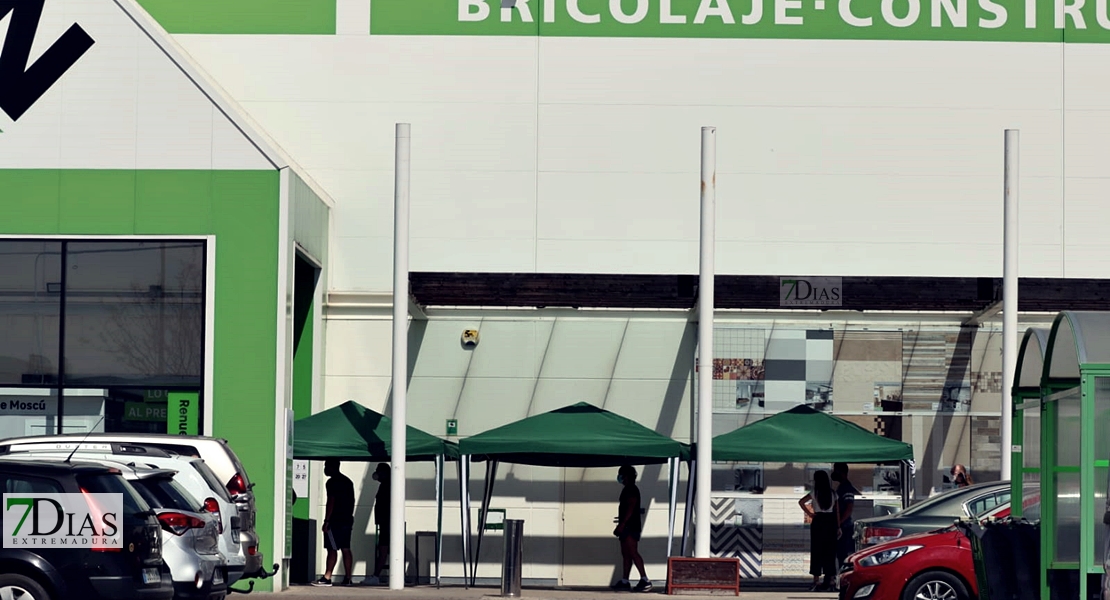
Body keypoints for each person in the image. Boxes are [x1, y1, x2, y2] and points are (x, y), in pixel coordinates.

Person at [313, 459, 355, 586]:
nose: (325, 469)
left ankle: (327, 577)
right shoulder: (348, 482)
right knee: (346, 548)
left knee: (332, 549)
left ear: (333, 467)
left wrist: (326, 521)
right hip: (347, 520)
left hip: (335, 521)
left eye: (327, 466)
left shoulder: (332, 482)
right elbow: (352, 501)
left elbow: (331, 501)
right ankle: (348, 578)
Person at [610, 465, 652, 592]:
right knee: (626, 554)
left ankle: (645, 580)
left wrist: (622, 524)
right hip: (627, 526)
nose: (620, 477)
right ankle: (625, 580)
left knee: (633, 552)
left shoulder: (631, 490)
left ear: (627, 476)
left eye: (621, 474)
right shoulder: (627, 489)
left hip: (630, 527)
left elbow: (631, 507)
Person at [799, 470, 840, 592]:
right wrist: (838, 527)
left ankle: (816, 580)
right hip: (830, 522)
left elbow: (801, 502)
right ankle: (831, 580)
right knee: (830, 552)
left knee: (816, 551)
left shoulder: (814, 493)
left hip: (818, 521)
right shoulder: (833, 494)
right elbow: (837, 511)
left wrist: (810, 514)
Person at [364, 463, 391, 586]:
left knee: (383, 550)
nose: (376, 474)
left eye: (378, 471)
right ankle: (376, 575)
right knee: (383, 550)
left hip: (386, 523)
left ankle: (376, 575)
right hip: (385, 523)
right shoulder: (386, 485)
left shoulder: (387, 486)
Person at [831, 462, 860, 570]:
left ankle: (843, 580)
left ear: (842, 472)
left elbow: (849, 508)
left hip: (845, 527)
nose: (833, 473)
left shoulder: (846, 488)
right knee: (840, 555)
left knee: (843, 555)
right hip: (843, 526)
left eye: (835, 471)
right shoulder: (842, 487)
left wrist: (839, 524)